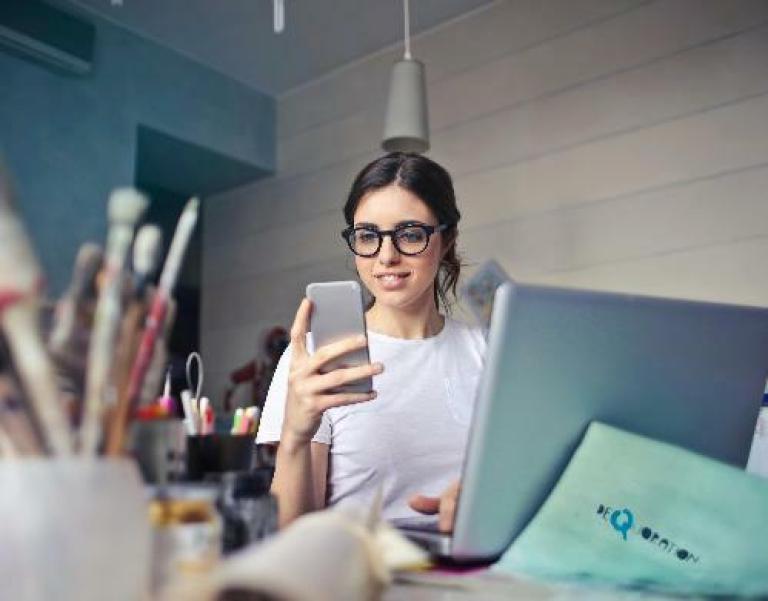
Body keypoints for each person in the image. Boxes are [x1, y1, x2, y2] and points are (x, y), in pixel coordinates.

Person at [256, 152, 486, 530]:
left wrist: (482, 502)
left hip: (468, 564)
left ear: (446, 240)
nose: (386, 256)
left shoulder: (487, 352)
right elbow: (291, 533)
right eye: (368, 236)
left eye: (410, 234)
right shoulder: (317, 358)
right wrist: (295, 434)